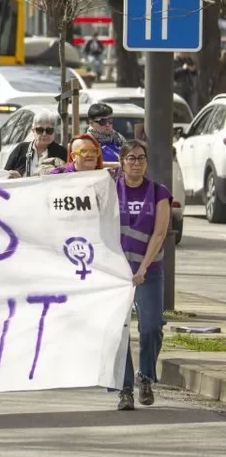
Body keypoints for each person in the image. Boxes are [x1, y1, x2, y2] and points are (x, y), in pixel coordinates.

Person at [115, 139, 170, 411]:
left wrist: (143, 269)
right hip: (116, 273)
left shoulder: (158, 192)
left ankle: (145, 376)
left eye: (141, 158)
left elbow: (159, 234)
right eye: (131, 158)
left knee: (151, 328)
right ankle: (125, 389)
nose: (136, 163)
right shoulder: (111, 190)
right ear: (122, 162)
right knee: (119, 331)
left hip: (148, 270)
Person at [3, 109, 68, 177]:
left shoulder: (61, 152)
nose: (44, 134)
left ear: (54, 131)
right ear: (33, 131)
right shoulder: (21, 149)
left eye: (49, 130)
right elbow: (5, 174)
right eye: (40, 130)